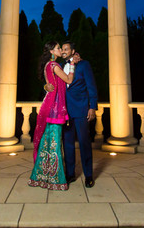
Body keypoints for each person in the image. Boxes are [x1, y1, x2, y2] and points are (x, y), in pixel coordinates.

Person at [28, 41, 75, 190]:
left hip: (47, 106)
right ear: (52, 52)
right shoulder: (55, 66)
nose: (60, 49)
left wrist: (45, 86)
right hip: (54, 109)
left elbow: (49, 85)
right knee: (54, 144)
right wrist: (72, 64)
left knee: (46, 143)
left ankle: (40, 177)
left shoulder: (48, 66)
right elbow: (68, 79)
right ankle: (55, 179)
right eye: (58, 48)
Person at [61, 41, 98, 188]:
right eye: (62, 49)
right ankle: (70, 174)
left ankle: (88, 175)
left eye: (66, 49)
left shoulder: (83, 65)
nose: (63, 51)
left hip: (82, 109)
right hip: (65, 112)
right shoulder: (59, 67)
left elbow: (91, 87)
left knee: (84, 143)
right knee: (67, 144)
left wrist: (92, 107)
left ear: (73, 51)